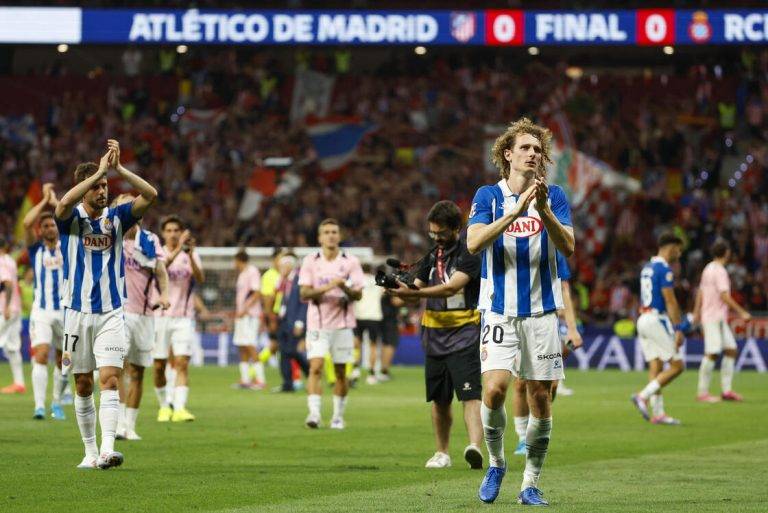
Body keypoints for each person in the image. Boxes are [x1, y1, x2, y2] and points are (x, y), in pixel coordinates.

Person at [467, 118, 574, 506]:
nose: (533, 154)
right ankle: (497, 463)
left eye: (537, 149)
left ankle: (530, 483)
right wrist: (514, 214)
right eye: (525, 148)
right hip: (498, 311)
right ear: (508, 154)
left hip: (542, 313)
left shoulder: (555, 196)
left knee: (540, 398)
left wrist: (543, 211)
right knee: (494, 389)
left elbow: (569, 247)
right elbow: (475, 242)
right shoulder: (488, 196)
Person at [55, 139, 157, 469]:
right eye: (97, 187)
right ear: (84, 189)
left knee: (110, 379)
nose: (103, 190)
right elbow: (62, 204)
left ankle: (107, 450)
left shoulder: (116, 218)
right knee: (82, 383)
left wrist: (119, 169)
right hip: (75, 313)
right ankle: (88, 450)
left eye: (105, 186)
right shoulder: (69, 221)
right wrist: (98, 170)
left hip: (112, 312)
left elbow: (151, 195)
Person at [387, 200, 484, 470]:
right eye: (433, 233)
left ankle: (474, 447)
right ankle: (441, 452)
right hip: (434, 336)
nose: (437, 238)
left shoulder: (470, 253)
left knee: (470, 395)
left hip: (465, 332)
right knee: (439, 399)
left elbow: (451, 288)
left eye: (441, 233)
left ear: (457, 229)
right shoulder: (431, 256)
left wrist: (414, 294)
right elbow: (414, 290)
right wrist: (398, 292)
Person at [512, 251, 583, 456]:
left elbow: (564, 288)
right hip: (519, 318)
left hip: (547, 321)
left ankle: (537, 426)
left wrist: (572, 327)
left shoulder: (553, 248)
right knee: (520, 381)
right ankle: (523, 438)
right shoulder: (514, 243)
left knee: (549, 386)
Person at [113, 194, 170, 440]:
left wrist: (165, 294)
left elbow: (161, 271)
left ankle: (130, 425)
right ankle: (117, 425)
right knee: (117, 368)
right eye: (123, 205)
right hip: (118, 311)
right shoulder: (109, 236)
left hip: (146, 314)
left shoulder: (149, 240)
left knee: (138, 371)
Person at [299, 219, 364, 429]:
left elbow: (358, 294)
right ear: (319, 237)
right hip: (317, 324)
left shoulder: (351, 261)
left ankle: (337, 416)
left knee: (340, 372)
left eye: (334, 232)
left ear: (340, 235)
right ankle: (314, 414)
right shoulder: (310, 261)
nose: (330, 235)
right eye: (326, 232)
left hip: (343, 325)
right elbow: (304, 292)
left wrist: (343, 286)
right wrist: (329, 287)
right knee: (315, 367)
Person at [630, 233, 687, 425]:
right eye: (678, 250)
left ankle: (659, 413)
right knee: (678, 366)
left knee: (656, 366)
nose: (679, 254)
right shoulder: (664, 269)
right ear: (671, 247)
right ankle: (642, 396)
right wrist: (678, 328)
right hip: (656, 319)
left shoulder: (647, 268)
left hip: (643, 318)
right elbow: (670, 300)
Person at [153, 215, 204, 422]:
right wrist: (178, 249)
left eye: (176, 230)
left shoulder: (190, 254)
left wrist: (190, 255)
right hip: (160, 316)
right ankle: (164, 406)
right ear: (163, 233)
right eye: (169, 230)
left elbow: (200, 279)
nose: (173, 233)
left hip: (184, 317)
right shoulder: (158, 252)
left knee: (182, 362)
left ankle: (180, 408)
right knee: (159, 365)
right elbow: (160, 270)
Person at [23, 183, 67, 418]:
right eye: (46, 225)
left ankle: (57, 402)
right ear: (41, 230)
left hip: (66, 311)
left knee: (64, 359)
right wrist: (43, 201)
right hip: (42, 310)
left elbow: (69, 214)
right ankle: (39, 405)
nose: (50, 228)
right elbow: (26, 223)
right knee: (41, 353)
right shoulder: (35, 249)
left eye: (53, 224)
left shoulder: (67, 245)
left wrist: (54, 201)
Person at [694, 239, 752, 402]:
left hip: (713, 316)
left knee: (731, 350)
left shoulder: (708, 268)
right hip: (714, 317)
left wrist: (696, 311)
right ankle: (702, 393)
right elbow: (724, 295)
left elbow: (700, 291)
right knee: (712, 353)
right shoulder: (720, 271)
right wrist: (742, 312)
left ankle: (727, 391)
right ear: (726, 253)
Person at [275, 252, 309, 392]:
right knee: (286, 352)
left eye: (283, 266)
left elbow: (304, 302)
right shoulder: (285, 280)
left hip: (295, 323)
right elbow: (285, 300)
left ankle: (309, 372)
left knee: (289, 352)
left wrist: (300, 322)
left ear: (289, 265)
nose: (280, 268)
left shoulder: (300, 279)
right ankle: (288, 383)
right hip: (285, 321)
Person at [232, 249, 263, 389]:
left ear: (239, 260)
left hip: (249, 315)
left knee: (250, 345)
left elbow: (256, 293)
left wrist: (245, 309)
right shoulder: (242, 274)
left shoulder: (252, 271)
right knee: (241, 346)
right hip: (241, 315)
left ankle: (260, 380)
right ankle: (245, 379)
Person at [0, 236, 24, 394]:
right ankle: (19, 383)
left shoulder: (1, 261)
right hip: (16, 309)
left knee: (12, 348)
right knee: (13, 348)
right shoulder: (10, 260)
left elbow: (7, 283)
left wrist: (7, 307)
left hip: (5, 309)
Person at [353, 263, 384, 385]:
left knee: (357, 344)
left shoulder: (357, 281)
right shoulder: (378, 281)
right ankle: (371, 374)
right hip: (374, 316)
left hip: (359, 315)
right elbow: (383, 293)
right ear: (372, 270)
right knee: (373, 346)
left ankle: (355, 369)